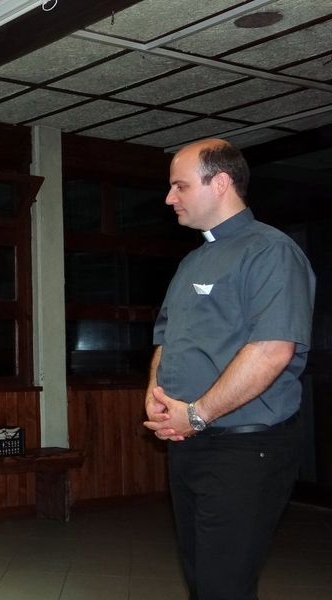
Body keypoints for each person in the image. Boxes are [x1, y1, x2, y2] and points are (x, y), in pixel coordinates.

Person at [143, 138, 315, 600]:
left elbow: (272, 350)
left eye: (180, 186)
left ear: (220, 183)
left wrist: (196, 414)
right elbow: (166, 337)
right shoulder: (193, 260)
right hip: (190, 442)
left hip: (244, 447)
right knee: (202, 579)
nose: (169, 198)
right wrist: (156, 394)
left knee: (225, 586)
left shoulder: (270, 251)